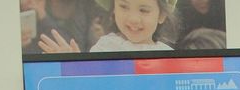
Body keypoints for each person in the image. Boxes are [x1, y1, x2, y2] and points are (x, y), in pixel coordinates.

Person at [41, 0, 177, 52]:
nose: (133, 19)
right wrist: (76, 66)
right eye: (124, 6)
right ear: (114, 9)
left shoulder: (168, 56)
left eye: (144, 10)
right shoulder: (106, 47)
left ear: (162, 15)